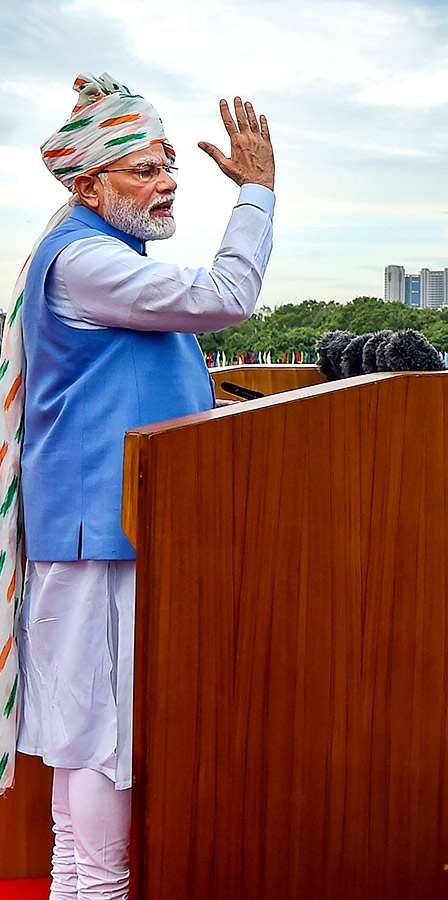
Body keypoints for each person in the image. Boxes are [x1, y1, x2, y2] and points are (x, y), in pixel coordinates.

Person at [0, 73, 275, 900]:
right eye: (146, 171)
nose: (169, 183)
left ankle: (78, 890)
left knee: (86, 737)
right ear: (89, 184)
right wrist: (257, 193)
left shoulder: (100, 255)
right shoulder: (85, 259)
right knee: (98, 739)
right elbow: (227, 295)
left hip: (105, 530)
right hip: (98, 535)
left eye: (167, 167)